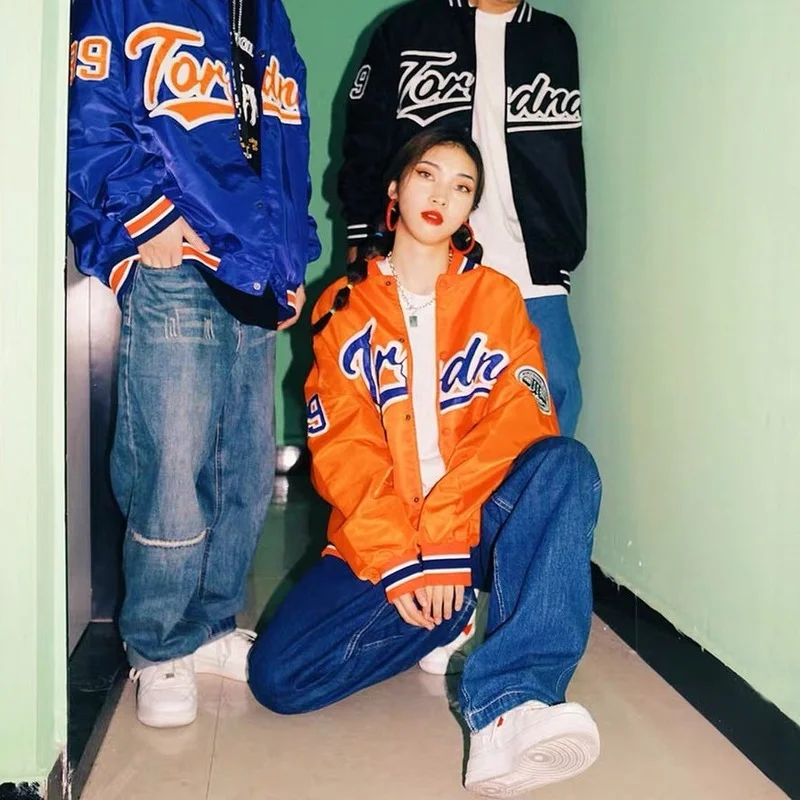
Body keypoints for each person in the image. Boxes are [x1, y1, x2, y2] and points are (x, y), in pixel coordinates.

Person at [249, 128, 602, 796]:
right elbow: (343, 450)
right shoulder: (343, 307)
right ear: (395, 188)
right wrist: (401, 558)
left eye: (462, 187)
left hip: (476, 521)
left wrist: (443, 533)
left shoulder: (497, 299)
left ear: (471, 210)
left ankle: (509, 707)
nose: (442, 196)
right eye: (427, 176)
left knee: (565, 466)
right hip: (387, 532)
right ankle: (446, 614)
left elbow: (521, 421)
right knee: (279, 678)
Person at [67, 0, 320, 728]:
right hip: (176, 258)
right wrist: (147, 214)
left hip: (253, 270)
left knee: (243, 467)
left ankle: (209, 623)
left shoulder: (268, 15)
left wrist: (291, 258)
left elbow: (285, 147)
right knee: (170, 462)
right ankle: (157, 643)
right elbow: (93, 113)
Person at [339, 0, 586, 436]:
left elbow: (563, 159)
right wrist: (363, 236)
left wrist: (560, 241)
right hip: (430, 268)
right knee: (429, 424)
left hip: (532, 271)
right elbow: (365, 141)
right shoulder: (409, 28)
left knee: (550, 416)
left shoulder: (554, 38)